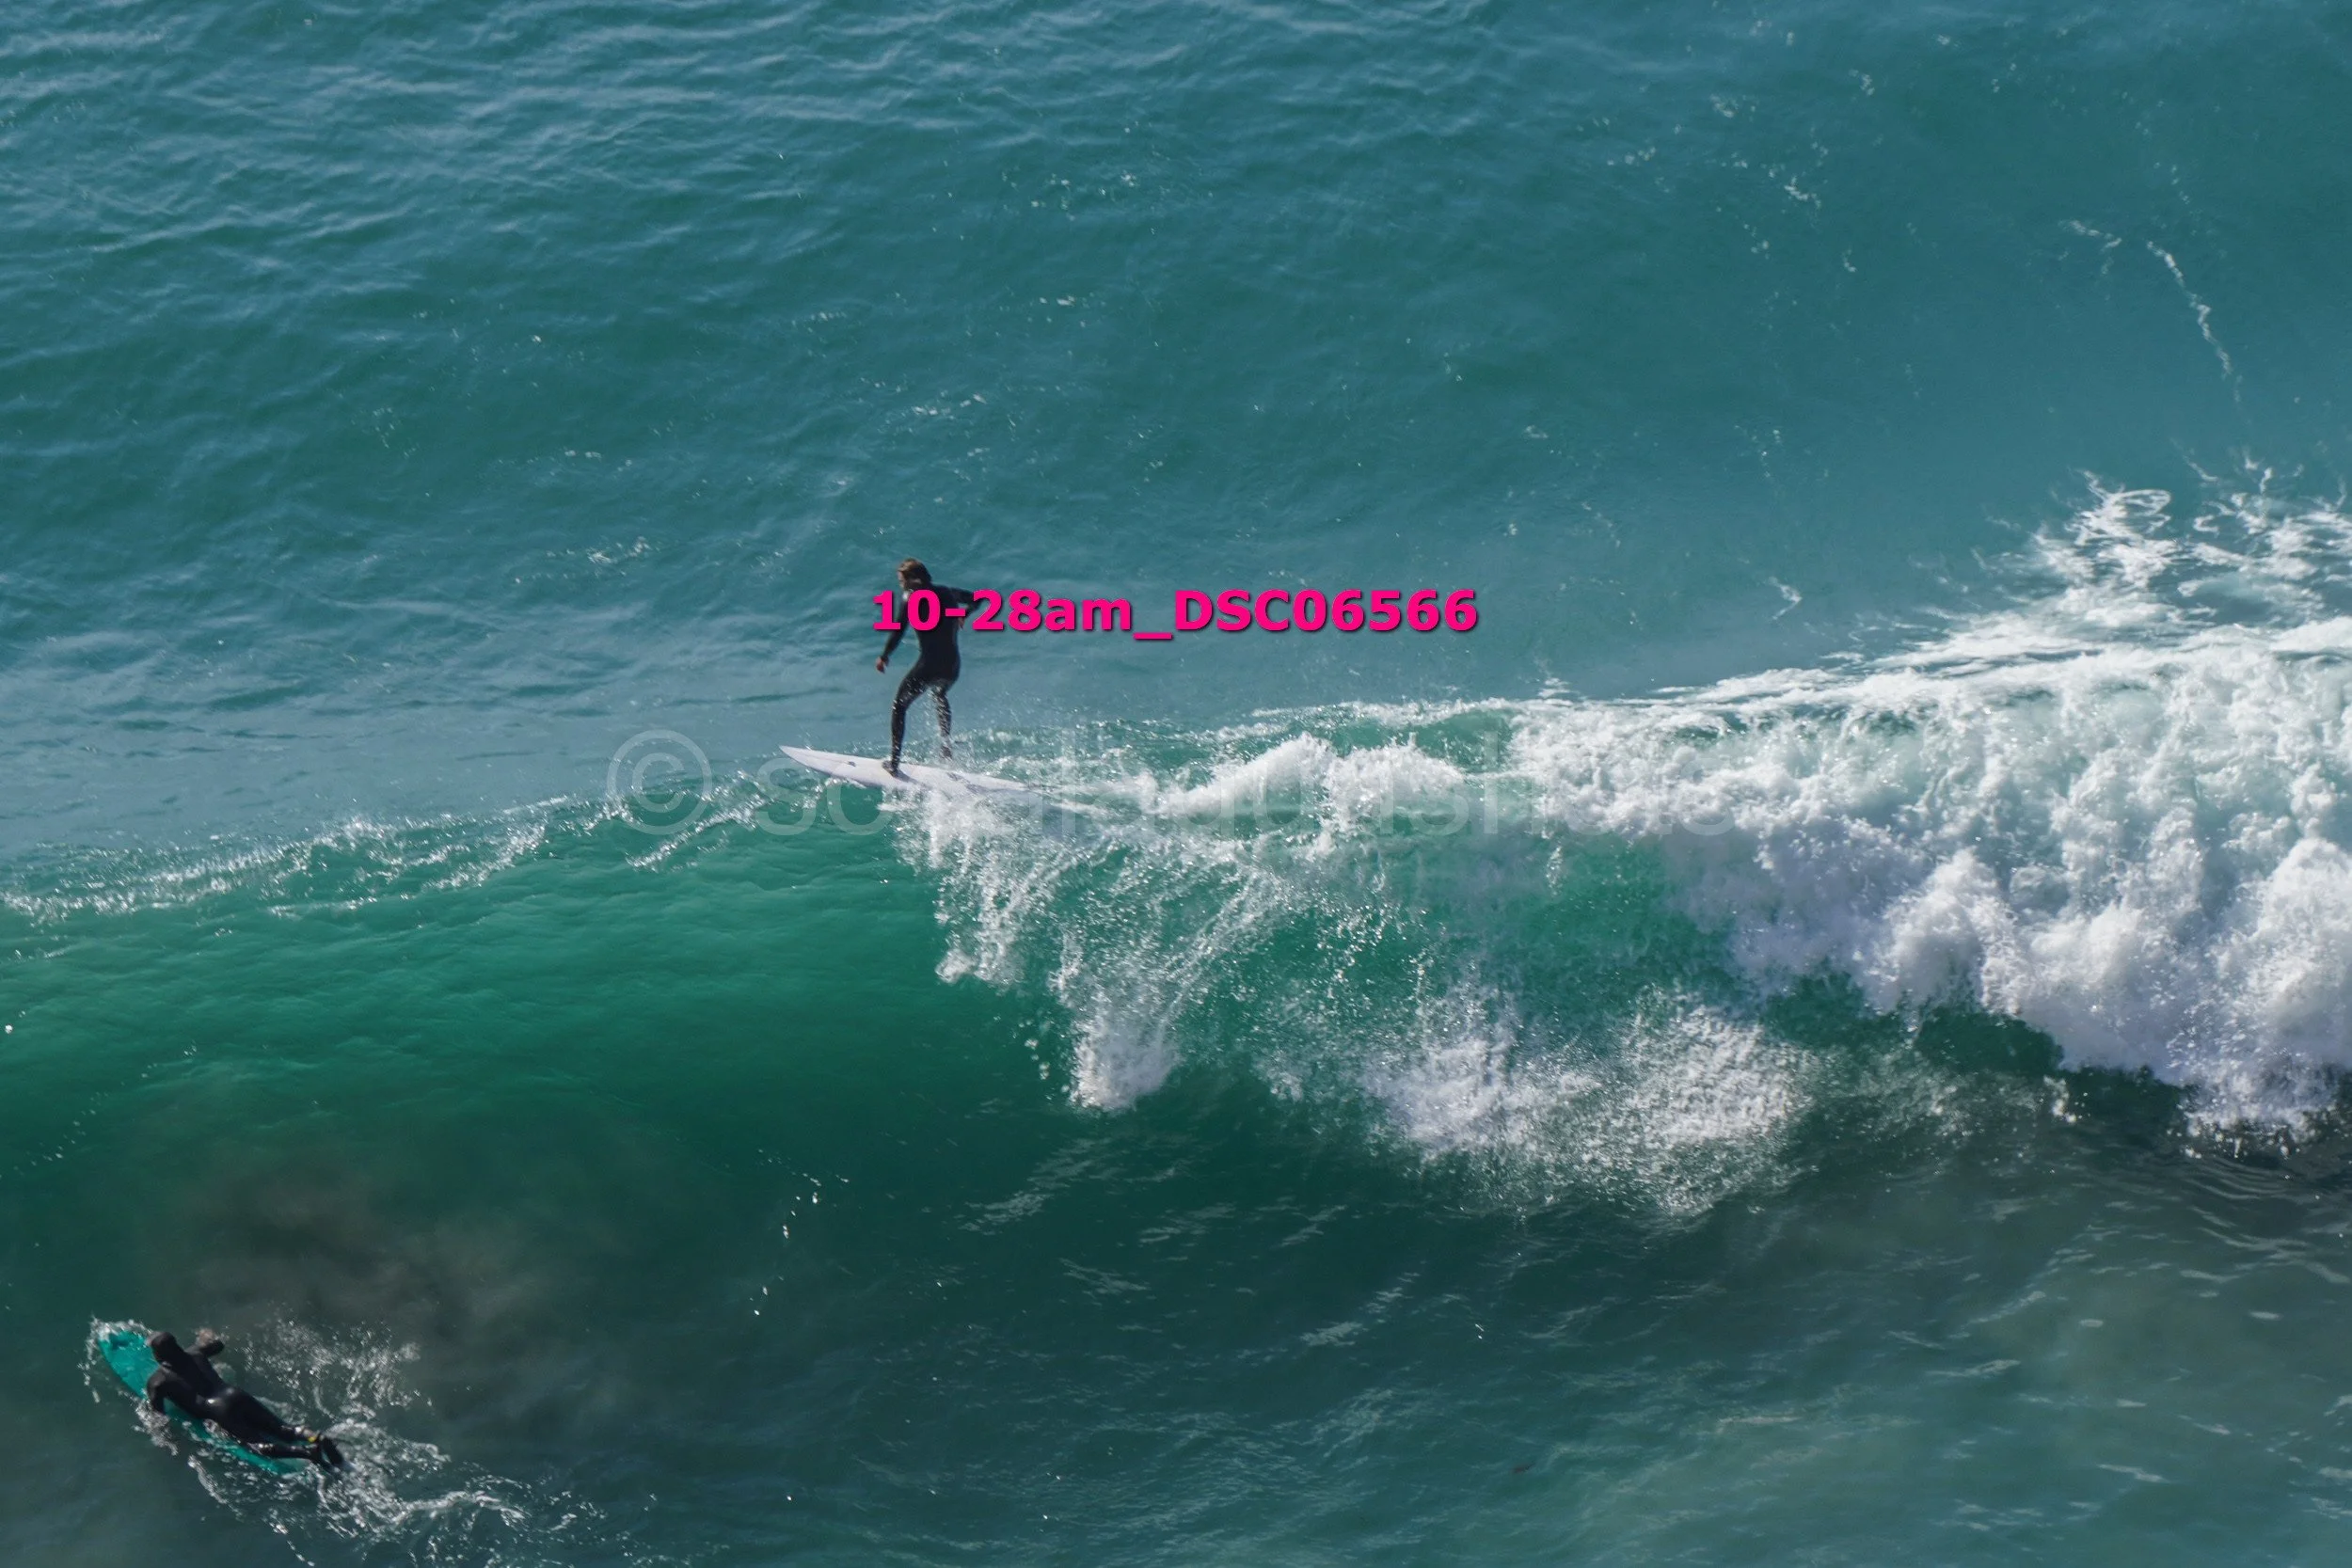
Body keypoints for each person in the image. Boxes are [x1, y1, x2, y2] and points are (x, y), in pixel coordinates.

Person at [145, 1329, 346, 1469]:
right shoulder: (195, 1352)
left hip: (217, 1412)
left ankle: (308, 1453)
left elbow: (158, 1414)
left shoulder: (158, 1381)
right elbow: (216, 1344)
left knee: (257, 1445)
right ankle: (314, 1437)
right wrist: (205, 1335)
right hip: (235, 1394)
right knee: (285, 1430)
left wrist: (165, 1438)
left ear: (158, 1355)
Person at [875, 558, 976, 775]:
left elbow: (898, 630)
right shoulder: (949, 592)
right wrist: (963, 615)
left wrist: (884, 656)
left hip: (929, 666)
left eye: (902, 581)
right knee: (939, 696)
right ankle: (946, 748)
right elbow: (976, 599)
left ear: (913, 580)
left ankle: (894, 763)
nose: (901, 585)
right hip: (952, 667)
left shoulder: (911, 598)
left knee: (899, 707)